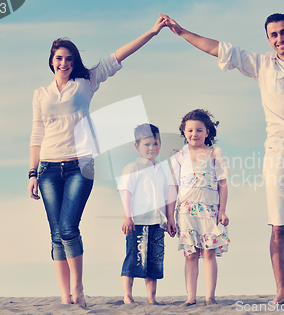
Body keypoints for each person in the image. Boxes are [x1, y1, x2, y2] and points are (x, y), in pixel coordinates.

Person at [160, 13, 284, 305]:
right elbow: (219, 49)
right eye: (274, 35)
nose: (280, 39)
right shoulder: (262, 65)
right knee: (279, 226)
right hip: (278, 156)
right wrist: (181, 31)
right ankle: (282, 292)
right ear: (268, 39)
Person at [27, 17, 168, 307]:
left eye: (68, 58)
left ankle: (78, 288)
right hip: (48, 168)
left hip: (81, 166)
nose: (64, 63)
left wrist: (152, 32)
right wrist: (32, 172)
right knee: (56, 234)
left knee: (68, 227)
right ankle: (65, 296)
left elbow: (119, 55)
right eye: (59, 58)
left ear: (74, 60)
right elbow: (36, 133)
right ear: (51, 61)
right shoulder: (41, 94)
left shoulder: (86, 81)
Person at [169, 109, 230, 306]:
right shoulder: (178, 156)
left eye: (199, 130)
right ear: (184, 132)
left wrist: (222, 211)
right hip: (185, 211)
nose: (194, 134)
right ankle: (190, 297)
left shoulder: (215, 153)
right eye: (190, 130)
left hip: (209, 209)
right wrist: (170, 216)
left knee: (209, 251)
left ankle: (210, 296)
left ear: (207, 132)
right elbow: (173, 187)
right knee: (191, 254)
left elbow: (223, 183)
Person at [117, 123, 176, 305]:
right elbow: (126, 191)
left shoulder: (162, 168)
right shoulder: (132, 168)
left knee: (154, 259)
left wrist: (170, 218)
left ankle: (151, 298)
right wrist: (128, 216)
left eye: (155, 144)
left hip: (158, 221)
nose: (152, 148)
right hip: (138, 221)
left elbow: (169, 195)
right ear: (137, 146)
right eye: (147, 144)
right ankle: (128, 296)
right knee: (134, 256)